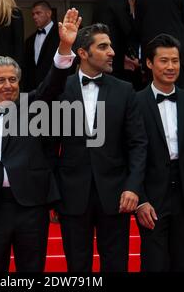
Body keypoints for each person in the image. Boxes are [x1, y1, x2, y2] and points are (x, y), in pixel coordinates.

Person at [0, 8, 81, 272]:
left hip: (30, 208)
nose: (8, 85)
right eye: (0, 80)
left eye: (13, 79)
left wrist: (64, 47)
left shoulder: (32, 108)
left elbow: (53, 84)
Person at [53, 23, 148, 272]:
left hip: (117, 195)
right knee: (77, 267)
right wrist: (52, 192)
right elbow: (48, 146)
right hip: (71, 194)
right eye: (103, 46)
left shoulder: (124, 90)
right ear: (83, 53)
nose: (112, 52)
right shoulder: (60, 89)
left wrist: (132, 187)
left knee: (116, 265)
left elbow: (138, 143)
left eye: (111, 46)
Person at [136, 34, 184, 272]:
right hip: (151, 195)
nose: (171, 67)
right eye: (164, 61)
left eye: (175, 61)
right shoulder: (134, 103)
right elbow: (129, 155)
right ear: (149, 63)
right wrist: (141, 200)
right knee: (154, 263)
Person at [135, 0, 184, 90]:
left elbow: (138, 29)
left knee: (151, 97)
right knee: (181, 98)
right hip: (178, 56)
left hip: (152, 57)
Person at [92, 0, 139, 82]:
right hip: (114, 58)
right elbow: (127, 29)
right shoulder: (121, 0)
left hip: (99, 54)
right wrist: (133, 53)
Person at [23, 1, 60, 92]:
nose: (35, 17)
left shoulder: (61, 35)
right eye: (33, 14)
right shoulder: (29, 40)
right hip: (32, 90)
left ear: (49, 13)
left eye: (38, 13)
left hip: (55, 89)